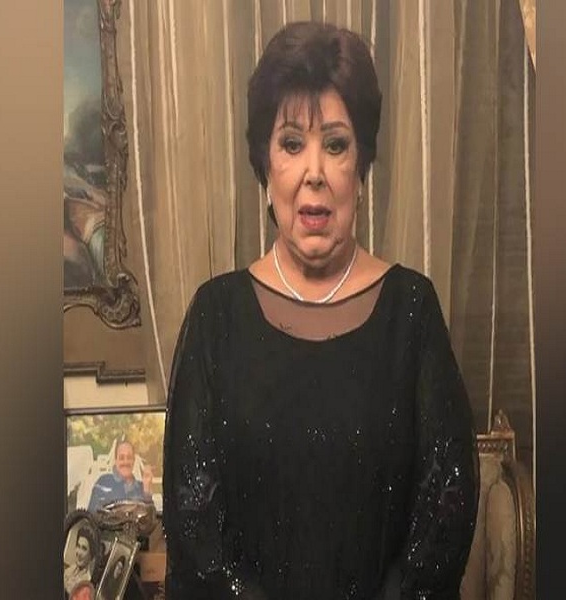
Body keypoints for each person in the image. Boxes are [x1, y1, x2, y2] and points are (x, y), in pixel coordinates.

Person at [163, 20, 479, 600]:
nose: (314, 172)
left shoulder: (412, 312)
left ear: (361, 169)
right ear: (265, 166)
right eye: (291, 144)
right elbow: (193, 524)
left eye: (335, 144)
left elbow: (447, 507)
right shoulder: (214, 318)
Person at [88, 439, 154, 512]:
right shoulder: (103, 482)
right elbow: (90, 515)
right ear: (116, 461)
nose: (125, 462)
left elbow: (149, 516)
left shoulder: (142, 487)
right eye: (121, 458)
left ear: (134, 460)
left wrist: (147, 491)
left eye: (129, 457)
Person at [64, 525, 97, 595]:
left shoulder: (86, 582)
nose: (79, 553)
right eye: (78, 546)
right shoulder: (70, 569)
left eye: (84, 548)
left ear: (91, 555)